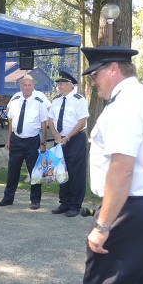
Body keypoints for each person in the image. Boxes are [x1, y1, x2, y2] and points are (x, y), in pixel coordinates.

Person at [80, 47, 143, 284]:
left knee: (106, 278)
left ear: (113, 69)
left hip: (131, 207)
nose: (93, 82)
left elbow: (122, 168)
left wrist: (102, 226)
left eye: (95, 75)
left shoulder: (124, 104)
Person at [0, 74, 48, 210]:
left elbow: (44, 123)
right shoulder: (15, 100)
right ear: (21, 87)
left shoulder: (39, 101)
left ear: (33, 86)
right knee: (13, 170)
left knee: (34, 172)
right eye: (24, 85)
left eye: (29, 85)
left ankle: (35, 200)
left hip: (32, 141)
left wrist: (43, 142)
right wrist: (8, 139)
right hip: (16, 140)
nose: (27, 88)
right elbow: (11, 122)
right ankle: (8, 198)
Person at [46, 71, 89, 217]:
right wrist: (54, 134)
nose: (59, 86)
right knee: (61, 170)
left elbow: (82, 121)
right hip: (60, 139)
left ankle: (75, 205)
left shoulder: (79, 100)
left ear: (71, 85)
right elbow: (50, 119)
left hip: (75, 140)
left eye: (62, 84)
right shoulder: (56, 100)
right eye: (58, 84)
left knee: (75, 172)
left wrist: (68, 136)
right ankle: (64, 202)